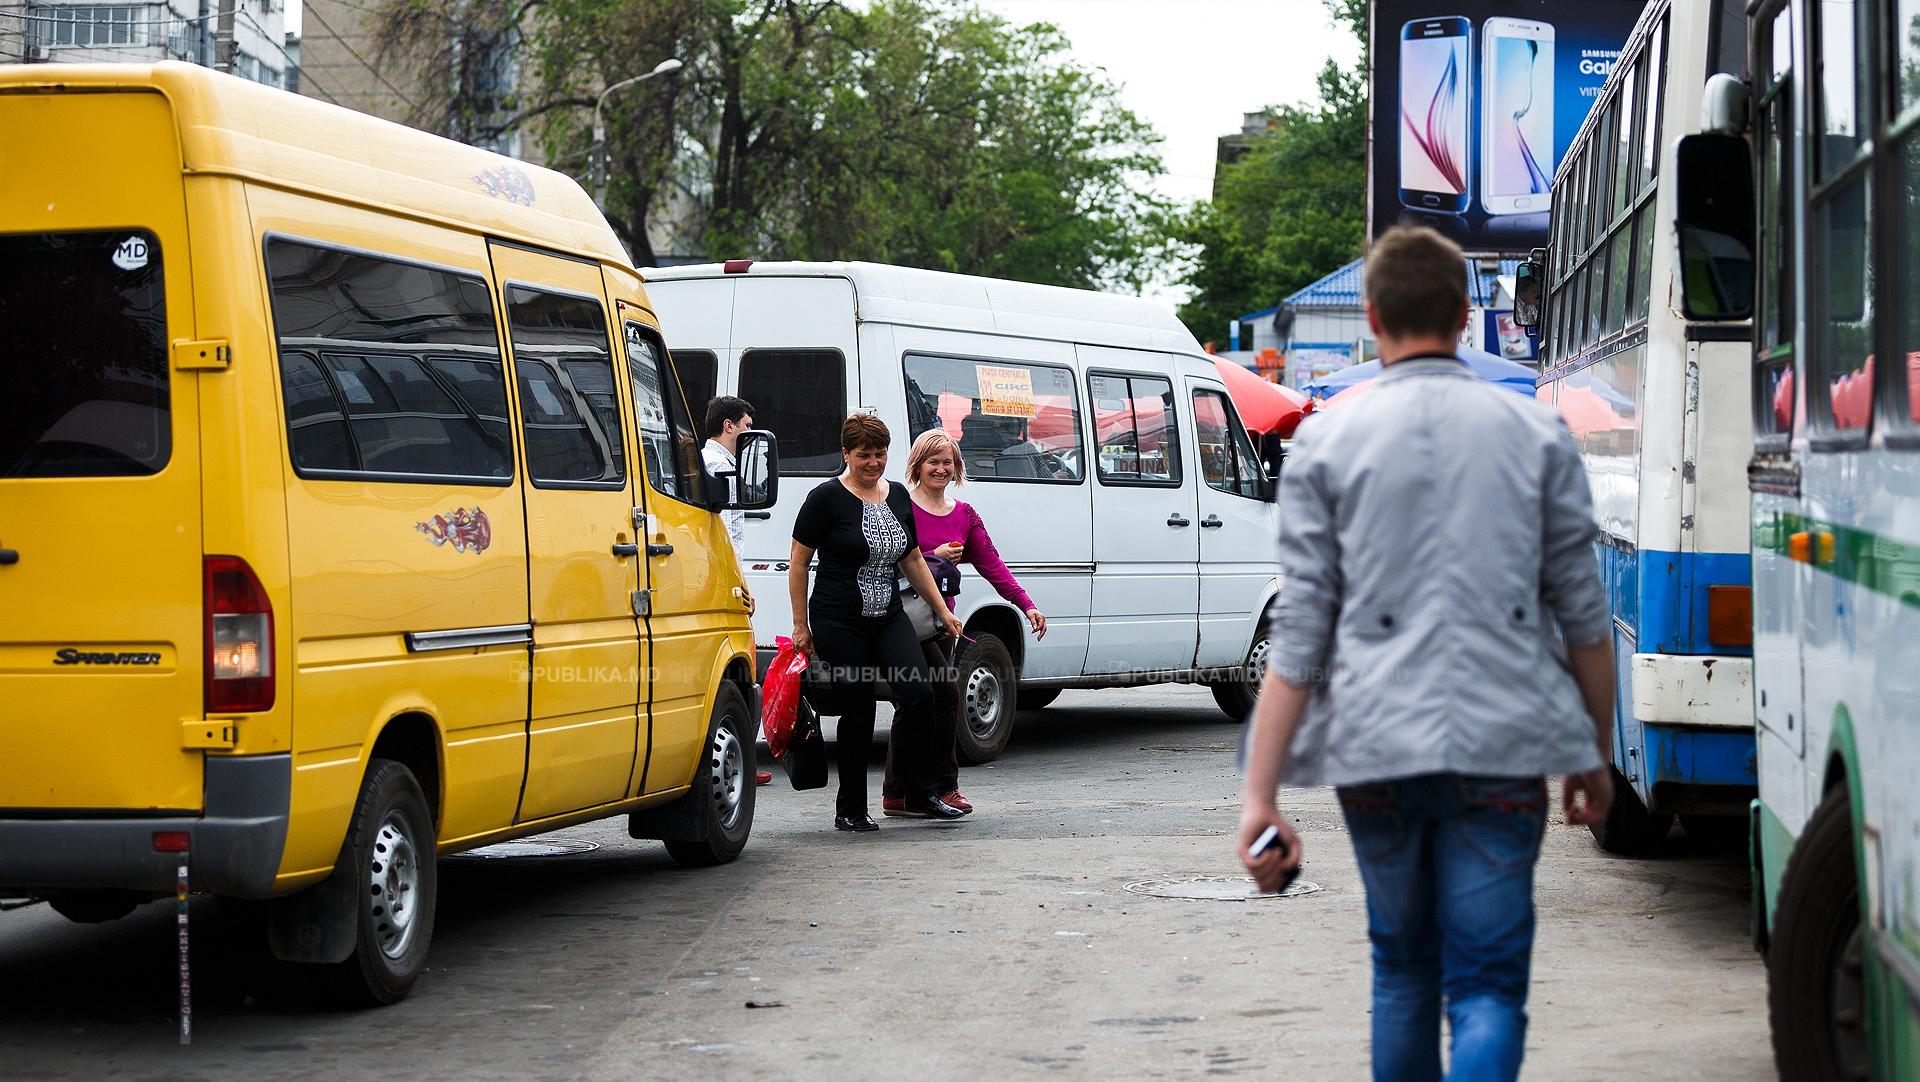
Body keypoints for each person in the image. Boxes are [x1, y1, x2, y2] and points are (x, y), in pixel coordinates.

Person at [1236, 225, 1617, 1082]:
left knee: (1401, 969)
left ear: (1371, 318)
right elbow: (1585, 620)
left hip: (1376, 745)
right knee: (1485, 984)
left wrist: (1260, 796)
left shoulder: (1324, 443)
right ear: (1465, 315)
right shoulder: (1538, 436)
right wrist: (1594, 755)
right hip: (1508, 742)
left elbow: (1300, 637)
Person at [790, 413, 967, 831]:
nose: (873, 463)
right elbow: (799, 563)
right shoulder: (825, 498)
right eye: (864, 455)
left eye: (880, 454)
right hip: (838, 619)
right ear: (845, 454)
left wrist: (942, 610)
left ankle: (919, 794)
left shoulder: (899, 496)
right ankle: (850, 808)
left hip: (887, 615)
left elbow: (913, 558)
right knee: (859, 706)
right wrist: (801, 626)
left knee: (921, 694)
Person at [880, 429, 1048, 818]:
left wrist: (1027, 605)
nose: (940, 469)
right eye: (932, 462)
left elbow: (994, 566)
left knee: (917, 703)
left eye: (947, 463)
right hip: (904, 619)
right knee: (943, 696)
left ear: (956, 468)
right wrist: (931, 555)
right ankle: (944, 786)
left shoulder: (964, 514)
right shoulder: (900, 506)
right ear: (917, 466)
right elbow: (886, 559)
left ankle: (897, 793)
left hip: (944, 622)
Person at [701, 395, 773, 785]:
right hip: (722, 581)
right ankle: (736, 754)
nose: (749, 433)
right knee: (735, 669)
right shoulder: (718, 468)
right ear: (728, 426)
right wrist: (736, 584)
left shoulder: (722, 465)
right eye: (745, 426)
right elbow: (723, 535)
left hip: (728, 578)